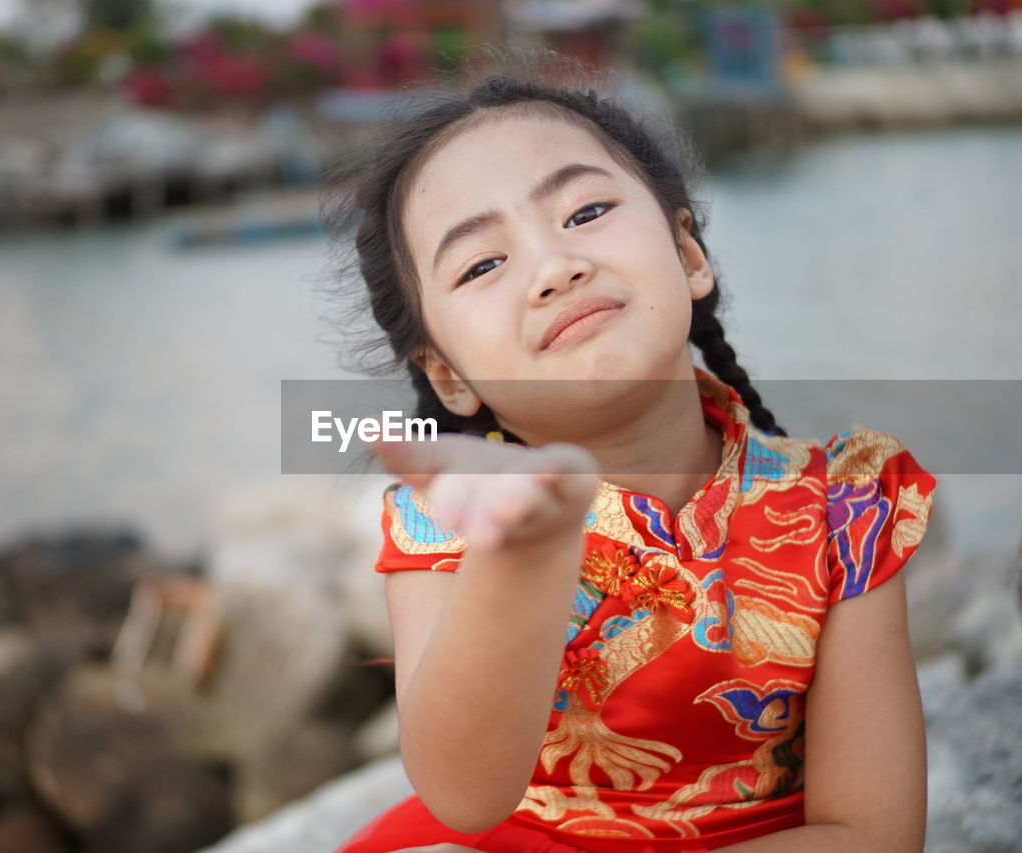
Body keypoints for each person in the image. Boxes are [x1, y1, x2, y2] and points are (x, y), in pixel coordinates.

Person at [320, 47, 935, 853]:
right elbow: (464, 795)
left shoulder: (842, 506)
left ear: (688, 255)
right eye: (483, 264)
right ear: (448, 375)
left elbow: (874, 835)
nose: (554, 268)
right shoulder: (446, 522)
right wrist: (521, 552)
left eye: (583, 214)